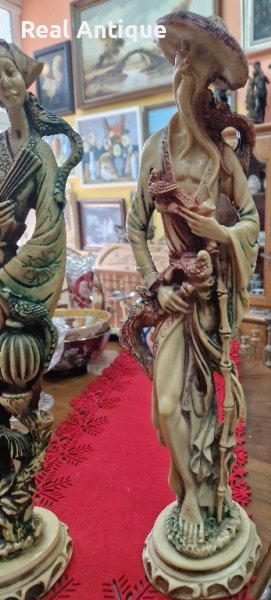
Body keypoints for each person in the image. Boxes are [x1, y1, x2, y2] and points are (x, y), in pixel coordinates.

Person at [121, 12, 259, 550]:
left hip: (212, 300)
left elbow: (250, 222)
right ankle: (190, 497)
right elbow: (135, 227)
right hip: (174, 298)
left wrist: (219, 232)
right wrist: (156, 285)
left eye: (194, 60)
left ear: (208, 82)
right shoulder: (154, 150)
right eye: (179, 56)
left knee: (209, 404)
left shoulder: (222, 156)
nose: (182, 67)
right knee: (166, 407)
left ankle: (207, 493)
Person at [0, 39, 82, 552]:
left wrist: (7, 278)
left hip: (11, 288)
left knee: (16, 387)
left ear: (24, 81)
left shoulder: (40, 155)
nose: (3, 83)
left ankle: (16, 512)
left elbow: (50, 235)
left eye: (9, 71)